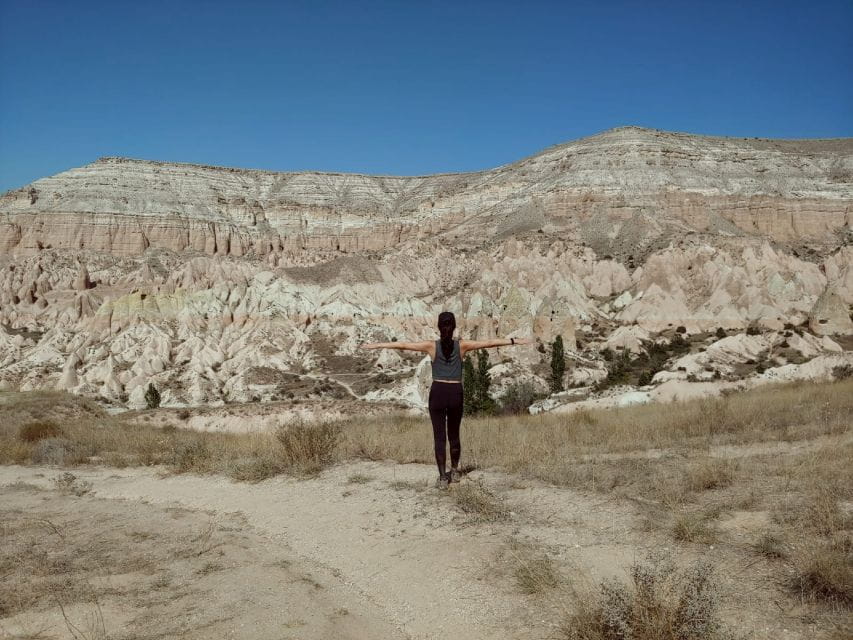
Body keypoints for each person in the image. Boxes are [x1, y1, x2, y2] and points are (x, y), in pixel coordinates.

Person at [359, 311, 532, 489]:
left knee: (439, 438)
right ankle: (455, 471)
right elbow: (488, 343)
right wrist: (513, 341)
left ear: (439, 327)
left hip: (438, 392)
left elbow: (403, 344)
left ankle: (443, 478)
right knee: (454, 435)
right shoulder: (462, 346)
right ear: (454, 326)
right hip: (455, 392)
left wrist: (375, 345)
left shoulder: (431, 346)